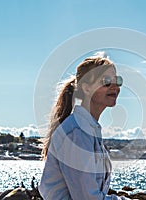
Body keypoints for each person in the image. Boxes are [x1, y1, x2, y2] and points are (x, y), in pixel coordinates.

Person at [39, 54, 129, 200]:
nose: (115, 86)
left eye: (117, 80)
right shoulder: (77, 133)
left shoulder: (87, 129)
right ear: (86, 88)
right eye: (106, 81)